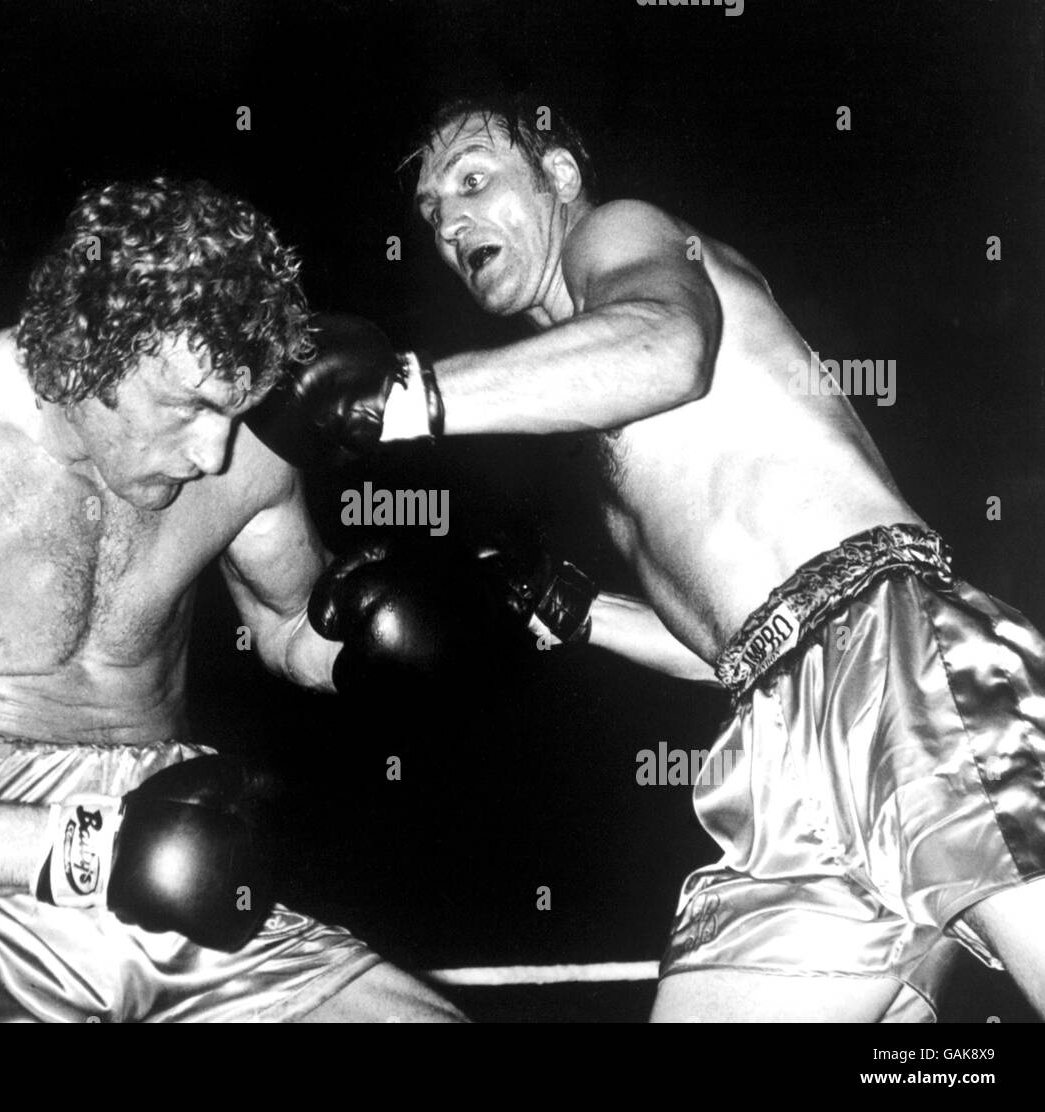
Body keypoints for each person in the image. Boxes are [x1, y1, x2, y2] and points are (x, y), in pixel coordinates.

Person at [253, 95, 1045, 1022]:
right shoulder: (595, 406)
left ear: (558, 176)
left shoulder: (622, 237)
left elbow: (669, 350)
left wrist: (398, 399)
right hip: (779, 741)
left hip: (897, 657)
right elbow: (735, 647)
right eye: (432, 214)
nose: (452, 221)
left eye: (473, 181)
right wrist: (567, 609)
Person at [0, 177, 468, 1022]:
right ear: (88, 355)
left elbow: (289, 626)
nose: (213, 451)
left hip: (176, 834)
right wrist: (90, 847)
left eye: (235, 410)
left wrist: (383, 626)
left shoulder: (243, 443)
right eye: (188, 409)